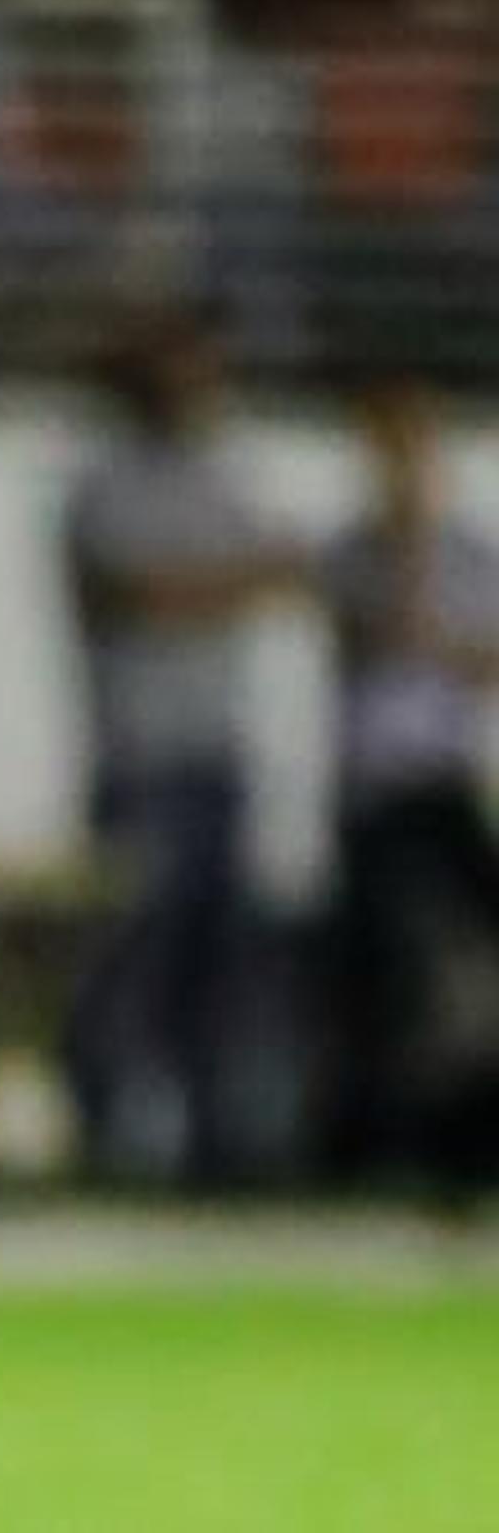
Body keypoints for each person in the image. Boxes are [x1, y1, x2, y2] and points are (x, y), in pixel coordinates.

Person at [59, 309, 306, 1187]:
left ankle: (214, 1159)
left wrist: (207, 585)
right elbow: (137, 592)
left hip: (216, 761)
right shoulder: (106, 482)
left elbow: (287, 569)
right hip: (140, 764)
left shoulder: (224, 474)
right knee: (130, 972)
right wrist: (228, 582)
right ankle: (110, 1147)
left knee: (218, 974)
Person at [312, 375, 499, 1186]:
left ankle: (463, 1137)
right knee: (385, 971)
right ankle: (384, 1147)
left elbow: (475, 659)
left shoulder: (475, 556)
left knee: (466, 969)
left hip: (446, 784)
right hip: (377, 793)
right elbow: (383, 638)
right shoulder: (354, 554)